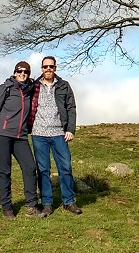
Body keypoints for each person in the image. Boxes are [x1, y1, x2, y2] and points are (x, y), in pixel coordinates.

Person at [0, 61, 43, 219]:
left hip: (21, 136)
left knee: (30, 167)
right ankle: (6, 207)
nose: (22, 74)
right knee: (4, 170)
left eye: (26, 72)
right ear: (15, 72)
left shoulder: (30, 90)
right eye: (20, 71)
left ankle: (32, 205)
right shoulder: (6, 87)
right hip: (2, 134)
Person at [30, 55, 82, 215]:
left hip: (59, 133)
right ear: (41, 69)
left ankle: (69, 201)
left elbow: (71, 107)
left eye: (51, 67)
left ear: (55, 68)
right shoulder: (34, 86)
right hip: (38, 134)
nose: (48, 69)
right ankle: (47, 203)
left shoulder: (64, 86)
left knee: (65, 168)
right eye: (45, 67)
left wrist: (70, 129)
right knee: (43, 169)